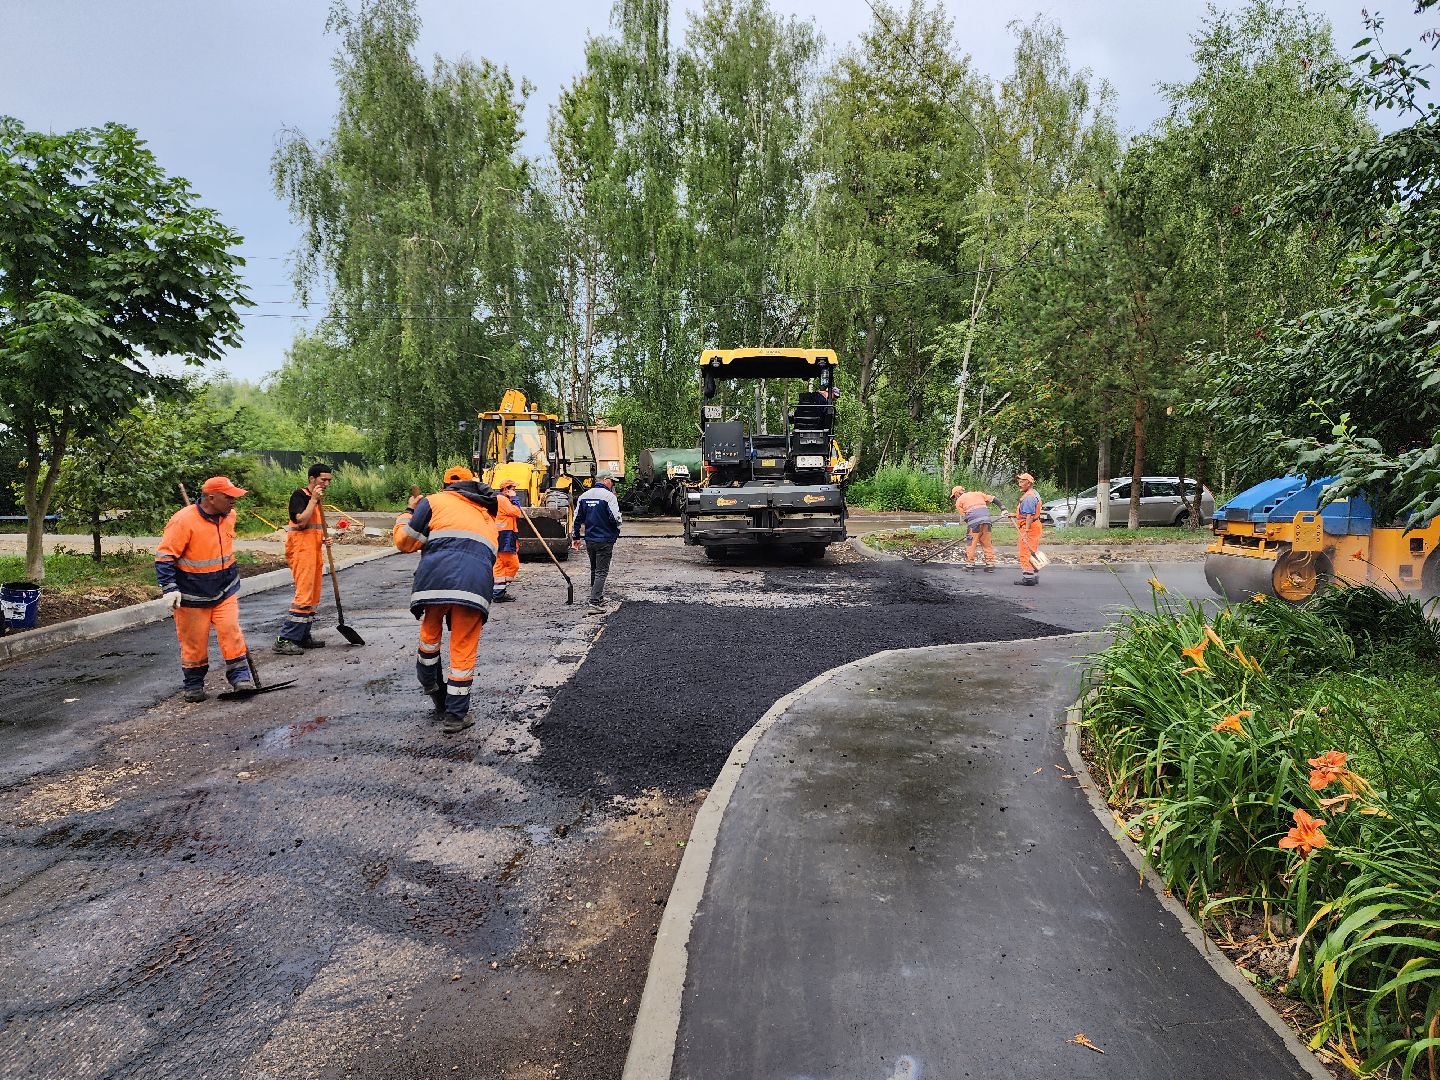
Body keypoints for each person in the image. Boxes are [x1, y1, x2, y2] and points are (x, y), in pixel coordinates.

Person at [392, 466, 501, 735]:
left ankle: (430, 683)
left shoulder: (433, 502)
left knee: (430, 632)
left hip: (434, 581)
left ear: (446, 485)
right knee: (463, 648)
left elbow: (405, 543)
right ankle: (455, 715)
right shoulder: (487, 516)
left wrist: (408, 513)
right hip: (474, 585)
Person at [155, 476, 255, 702]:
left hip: (225, 590)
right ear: (211, 498)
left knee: (231, 632)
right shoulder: (182, 521)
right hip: (192, 595)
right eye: (229, 497)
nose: (234, 501)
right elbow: (164, 557)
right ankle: (193, 685)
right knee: (194, 643)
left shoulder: (230, 516)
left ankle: (240, 678)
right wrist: (169, 587)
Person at [274, 462, 333, 654]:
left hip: (314, 550)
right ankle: (285, 639)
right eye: (323, 480)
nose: (326, 484)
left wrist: (324, 538)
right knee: (304, 595)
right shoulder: (300, 496)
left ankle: (302, 636)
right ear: (311, 479)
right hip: (301, 551)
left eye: (329, 481)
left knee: (314, 596)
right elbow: (300, 522)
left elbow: (313, 527)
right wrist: (314, 500)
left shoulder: (315, 499)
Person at [570, 472, 622, 613]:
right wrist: (615, 533)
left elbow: (577, 519)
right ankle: (594, 602)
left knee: (594, 569)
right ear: (605, 480)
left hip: (590, 540)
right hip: (604, 539)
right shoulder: (609, 497)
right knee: (601, 571)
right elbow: (616, 518)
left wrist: (575, 537)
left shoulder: (584, 496)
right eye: (612, 481)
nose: (613, 484)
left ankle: (597, 597)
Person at [950, 484, 1004, 571]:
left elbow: (965, 518)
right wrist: (1003, 509)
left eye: (954, 496)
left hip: (974, 523)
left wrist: (972, 530)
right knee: (987, 543)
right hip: (987, 521)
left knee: (971, 543)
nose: (954, 498)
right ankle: (990, 564)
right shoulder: (978, 494)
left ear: (957, 493)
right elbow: (994, 499)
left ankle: (970, 564)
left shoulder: (959, 501)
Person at [491, 478, 522, 603]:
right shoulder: (502, 499)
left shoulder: (502, 499)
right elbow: (515, 512)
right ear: (505, 489)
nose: (514, 491)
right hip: (504, 537)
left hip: (502, 536)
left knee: (499, 565)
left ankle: (498, 593)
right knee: (512, 564)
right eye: (512, 489)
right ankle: (499, 591)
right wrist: (515, 499)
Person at [1013, 472, 1043, 586]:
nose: (1019, 484)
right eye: (1019, 482)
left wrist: (1026, 531)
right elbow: (1027, 514)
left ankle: (1028, 578)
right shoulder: (1033, 493)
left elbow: (1029, 515)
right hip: (1035, 525)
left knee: (1025, 551)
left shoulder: (1029, 497)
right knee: (1033, 550)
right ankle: (1034, 576)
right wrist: (1015, 515)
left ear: (1029, 483)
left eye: (1022, 482)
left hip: (1029, 527)